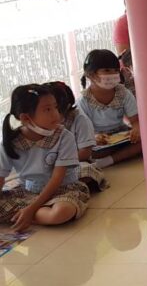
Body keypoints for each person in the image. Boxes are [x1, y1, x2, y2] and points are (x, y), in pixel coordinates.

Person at [1, 84, 91, 230]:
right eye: (47, 109)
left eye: (55, 107)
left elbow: (57, 179)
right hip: (28, 192)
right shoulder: (10, 142)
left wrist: (31, 209)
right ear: (25, 118)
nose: (56, 114)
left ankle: (25, 214)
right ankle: (31, 214)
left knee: (61, 213)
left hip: (62, 190)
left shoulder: (64, 137)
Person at [79, 49, 142, 166]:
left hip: (122, 135)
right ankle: (112, 157)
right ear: (91, 75)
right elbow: (83, 133)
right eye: (107, 70)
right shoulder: (83, 101)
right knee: (85, 151)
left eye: (116, 70)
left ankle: (107, 161)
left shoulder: (123, 93)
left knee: (145, 140)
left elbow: (135, 121)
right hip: (98, 141)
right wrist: (95, 138)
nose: (113, 74)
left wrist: (136, 129)